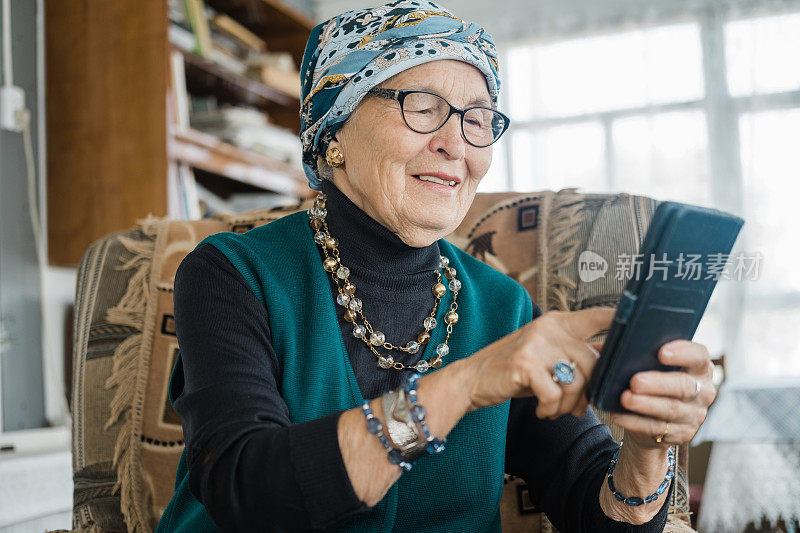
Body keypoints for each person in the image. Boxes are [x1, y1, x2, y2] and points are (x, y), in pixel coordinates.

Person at [156, 1, 716, 531]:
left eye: (478, 119)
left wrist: (647, 448)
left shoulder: (502, 306)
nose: (456, 144)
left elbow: (590, 505)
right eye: (422, 107)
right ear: (334, 132)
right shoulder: (230, 275)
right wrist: (469, 382)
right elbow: (249, 492)